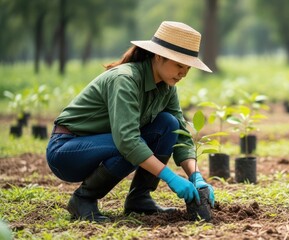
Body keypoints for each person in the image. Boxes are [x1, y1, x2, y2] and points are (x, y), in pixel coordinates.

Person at [46, 21, 215, 222]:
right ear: (159, 56)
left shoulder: (167, 88)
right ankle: (83, 199)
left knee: (169, 124)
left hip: (105, 144)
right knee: (130, 144)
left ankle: (139, 198)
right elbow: (127, 141)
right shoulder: (125, 80)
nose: (183, 73)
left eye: (188, 68)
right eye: (179, 65)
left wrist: (196, 177)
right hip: (67, 151)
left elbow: (180, 135)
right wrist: (171, 178)